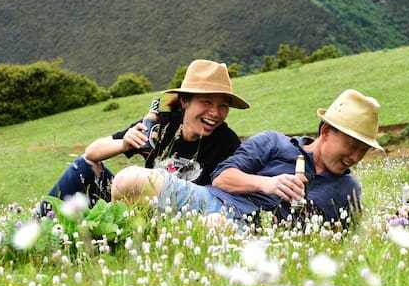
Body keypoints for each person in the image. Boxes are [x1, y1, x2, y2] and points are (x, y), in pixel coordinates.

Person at [111, 89, 383, 228]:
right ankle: (124, 240)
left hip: (252, 233)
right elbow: (221, 177)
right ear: (325, 131)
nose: (355, 157)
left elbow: (340, 244)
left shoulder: (348, 191)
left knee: (215, 228)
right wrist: (268, 184)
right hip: (214, 200)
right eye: (351, 145)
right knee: (128, 180)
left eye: (363, 150)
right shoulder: (273, 142)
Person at [39, 60, 247, 216]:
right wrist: (124, 143)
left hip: (177, 215)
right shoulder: (161, 125)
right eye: (207, 102)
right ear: (185, 101)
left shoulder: (227, 142)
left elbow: (225, 196)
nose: (215, 113)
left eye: (223, 106)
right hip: (133, 203)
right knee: (83, 168)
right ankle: (37, 225)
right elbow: (92, 152)